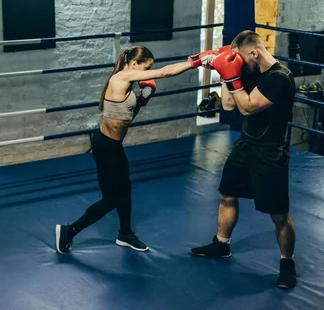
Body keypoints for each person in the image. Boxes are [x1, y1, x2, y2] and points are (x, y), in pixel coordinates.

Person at [55, 45, 213, 254]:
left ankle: (125, 233)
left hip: (114, 146)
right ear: (134, 64)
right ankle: (69, 231)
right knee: (111, 199)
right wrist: (196, 61)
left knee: (126, 189)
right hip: (105, 147)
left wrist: (142, 99)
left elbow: (126, 118)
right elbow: (165, 72)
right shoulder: (120, 79)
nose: (146, 72)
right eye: (145, 67)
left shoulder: (127, 82)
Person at [189, 30, 297, 290]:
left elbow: (247, 107)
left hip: (271, 151)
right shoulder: (248, 70)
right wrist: (225, 72)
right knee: (227, 194)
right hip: (246, 144)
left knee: (278, 214)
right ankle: (221, 244)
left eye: (240, 58)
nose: (238, 63)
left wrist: (234, 76)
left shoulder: (280, 78)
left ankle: (287, 264)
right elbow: (228, 105)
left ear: (254, 53)